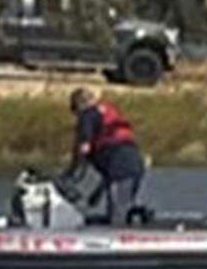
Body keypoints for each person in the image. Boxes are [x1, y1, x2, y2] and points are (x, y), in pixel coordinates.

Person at [62, 87, 146, 226]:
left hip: (120, 166)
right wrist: (95, 195)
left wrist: (71, 173)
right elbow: (106, 174)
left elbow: (84, 148)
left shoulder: (87, 115)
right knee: (121, 206)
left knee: (118, 214)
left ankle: (116, 239)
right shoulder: (106, 112)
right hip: (133, 163)